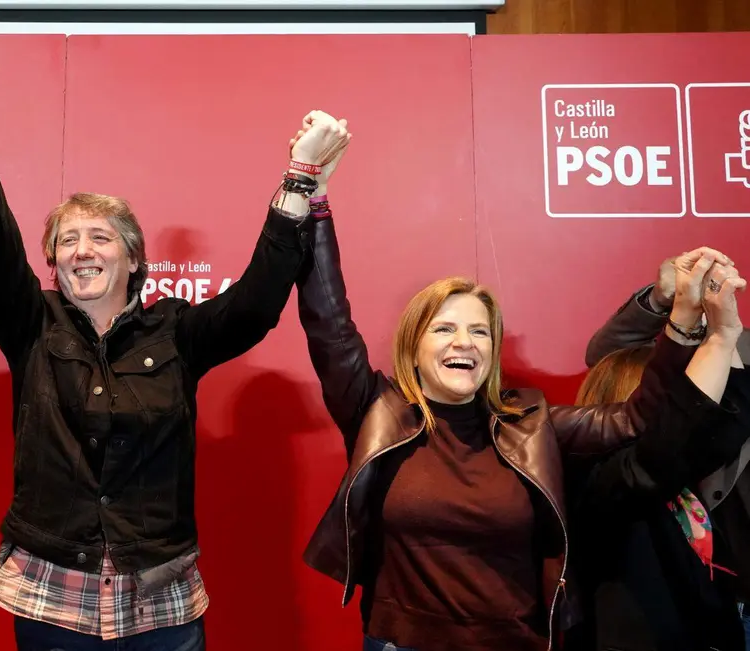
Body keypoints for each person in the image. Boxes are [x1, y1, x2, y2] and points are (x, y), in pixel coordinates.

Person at [0, 14, 348, 650]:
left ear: (134, 259)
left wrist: (299, 179)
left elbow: (258, 302)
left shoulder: (176, 330)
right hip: (51, 592)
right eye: (67, 240)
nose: (81, 250)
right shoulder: (30, 320)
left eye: (100, 237)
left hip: (161, 601)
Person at [291, 149, 742, 649]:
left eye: (480, 332)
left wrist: (682, 321)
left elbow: (640, 418)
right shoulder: (375, 409)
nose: (465, 342)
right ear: (413, 351)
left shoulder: (531, 422)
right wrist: (314, 197)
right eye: (445, 328)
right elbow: (329, 324)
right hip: (400, 642)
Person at [582, 255, 750, 649]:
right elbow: (607, 359)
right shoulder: (604, 480)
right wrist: (672, 308)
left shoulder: (680, 486)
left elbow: (732, 423)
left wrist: (723, 336)